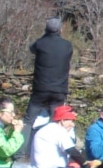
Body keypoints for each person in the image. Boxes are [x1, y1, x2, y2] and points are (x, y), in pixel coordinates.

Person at [21, 18, 73, 154]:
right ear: (60, 30)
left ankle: (20, 154)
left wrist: (45, 35)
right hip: (59, 90)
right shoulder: (67, 45)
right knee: (57, 121)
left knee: (28, 121)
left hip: (40, 90)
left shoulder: (40, 43)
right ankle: (54, 152)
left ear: (46, 29)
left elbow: (32, 49)